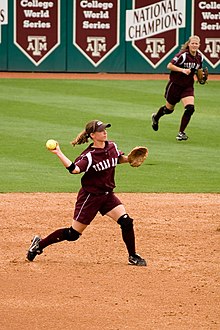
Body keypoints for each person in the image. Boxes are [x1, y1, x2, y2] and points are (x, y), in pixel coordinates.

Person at [27, 120, 146, 266]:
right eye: (101, 130)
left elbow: (117, 158)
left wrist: (129, 159)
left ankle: (132, 256)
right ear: (92, 135)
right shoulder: (89, 156)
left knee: (126, 221)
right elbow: (75, 170)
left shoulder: (112, 146)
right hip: (90, 197)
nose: (105, 132)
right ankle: (39, 245)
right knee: (73, 234)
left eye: (105, 129)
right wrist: (59, 152)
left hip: (107, 195)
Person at [151, 35, 204, 141]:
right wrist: (182, 70)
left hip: (187, 86)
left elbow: (199, 69)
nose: (194, 45)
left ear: (199, 45)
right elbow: (169, 66)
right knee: (168, 110)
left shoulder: (199, 57)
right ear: (189, 44)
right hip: (175, 85)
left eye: (196, 43)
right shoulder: (183, 55)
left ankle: (181, 133)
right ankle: (156, 117)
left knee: (190, 108)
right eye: (192, 43)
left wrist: (201, 78)